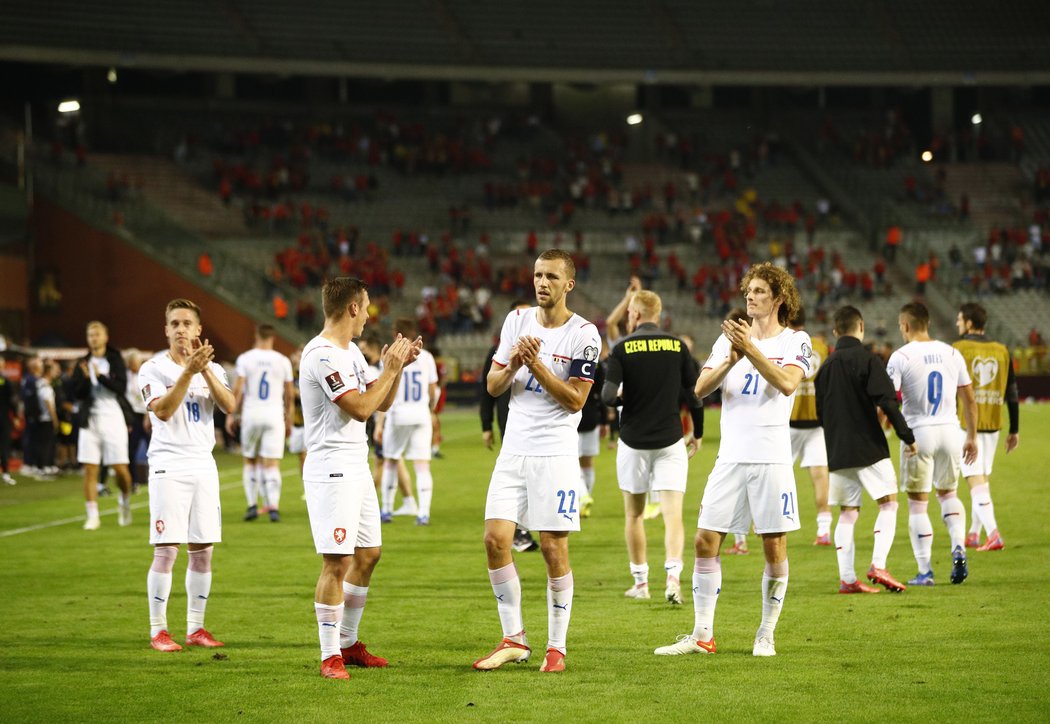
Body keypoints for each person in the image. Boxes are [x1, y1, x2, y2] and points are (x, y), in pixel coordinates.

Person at [655, 262, 808, 659]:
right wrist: (731, 358)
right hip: (731, 459)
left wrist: (751, 350)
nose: (750, 297)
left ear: (778, 298)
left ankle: (766, 633)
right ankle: (702, 634)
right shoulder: (729, 341)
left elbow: (788, 383)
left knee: (773, 547)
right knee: (705, 540)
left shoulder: (796, 340)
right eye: (747, 292)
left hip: (772, 459)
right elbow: (700, 389)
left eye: (758, 291)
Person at [473, 249, 601, 674]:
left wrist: (537, 364)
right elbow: (493, 387)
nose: (541, 283)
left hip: (556, 453)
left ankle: (556, 646)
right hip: (514, 450)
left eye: (550, 277)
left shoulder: (584, 334)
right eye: (537, 275)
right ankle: (514, 638)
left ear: (569, 284)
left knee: (552, 547)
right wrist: (513, 362)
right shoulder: (516, 321)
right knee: (494, 541)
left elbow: (575, 400)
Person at [299, 277, 421, 680]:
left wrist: (396, 369)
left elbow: (381, 398)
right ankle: (329, 654)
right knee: (337, 562)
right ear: (353, 307)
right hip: (331, 468)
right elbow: (362, 409)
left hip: (356, 464)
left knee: (368, 555)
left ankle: (349, 643)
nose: (368, 316)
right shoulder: (322, 354)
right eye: (366, 307)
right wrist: (387, 369)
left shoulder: (350, 351)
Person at [139, 298, 235, 652]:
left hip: (203, 464)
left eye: (186, 323)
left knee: (203, 551)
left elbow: (230, 406)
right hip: (169, 464)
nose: (180, 329)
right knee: (166, 550)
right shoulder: (152, 368)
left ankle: (196, 627)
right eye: (174, 323)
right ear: (166, 330)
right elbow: (162, 411)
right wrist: (188, 372)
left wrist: (204, 369)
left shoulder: (213, 368)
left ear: (198, 330)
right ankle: (158, 630)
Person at [601, 290, 702, 606]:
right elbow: (694, 393)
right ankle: (673, 576)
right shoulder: (677, 346)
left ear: (634, 313)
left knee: (635, 515)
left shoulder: (622, 347)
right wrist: (697, 432)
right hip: (670, 438)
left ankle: (641, 582)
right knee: (673, 514)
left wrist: (621, 400)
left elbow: (606, 396)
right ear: (658, 314)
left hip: (633, 440)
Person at [815, 306, 915, 594]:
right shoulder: (868, 360)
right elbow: (887, 402)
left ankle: (847, 580)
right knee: (889, 503)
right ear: (860, 326)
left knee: (847, 513)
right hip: (868, 446)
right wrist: (907, 436)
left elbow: (822, 413)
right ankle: (878, 564)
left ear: (835, 331)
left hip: (837, 451)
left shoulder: (825, 369)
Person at [886, 302, 978, 586]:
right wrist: (972, 436)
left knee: (917, 504)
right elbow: (969, 399)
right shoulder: (952, 352)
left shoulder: (900, 356)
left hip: (918, 433)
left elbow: (888, 399)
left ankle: (925, 570)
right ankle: (958, 546)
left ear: (905, 326)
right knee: (949, 494)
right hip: (951, 431)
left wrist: (881, 427)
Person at [954, 303, 1019, 551]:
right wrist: (1015, 428)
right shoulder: (1002, 350)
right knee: (982, 478)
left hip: (966, 424)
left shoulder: (959, 348)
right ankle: (974, 532)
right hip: (993, 422)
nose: (958, 324)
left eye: (960, 320)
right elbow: (1012, 391)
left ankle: (993, 534)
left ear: (970, 323)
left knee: (973, 479)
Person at [480, 299, 538, 553]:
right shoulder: (499, 351)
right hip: (510, 420)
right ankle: (520, 529)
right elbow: (487, 391)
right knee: (521, 477)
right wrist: (486, 425)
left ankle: (524, 526)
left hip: (540, 428)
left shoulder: (543, 348)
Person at [227, 325, 294, 522]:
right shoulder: (282, 361)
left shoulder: (246, 358)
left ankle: (252, 505)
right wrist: (288, 415)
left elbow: (238, 389)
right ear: (273, 337)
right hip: (274, 414)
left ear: (256, 335)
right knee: (271, 463)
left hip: (251, 414)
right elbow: (289, 393)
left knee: (250, 460)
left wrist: (231, 413)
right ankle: (273, 506)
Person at [71, 321, 134, 530]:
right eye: (90, 335)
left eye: (97, 334)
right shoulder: (82, 363)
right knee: (90, 468)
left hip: (113, 416)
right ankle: (92, 515)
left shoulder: (115, 360)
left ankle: (124, 501)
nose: (93, 338)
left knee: (120, 468)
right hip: (90, 419)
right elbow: (76, 393)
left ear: (106, 337)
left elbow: (121, 387)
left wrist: (101, 377)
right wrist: (88, 379)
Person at [376, 318, 440, 525]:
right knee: (422, 465)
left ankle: (386, 509)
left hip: (397, 414)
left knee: (391, 461)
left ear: (397, 334)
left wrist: (379, 422)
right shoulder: (427, 357)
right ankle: (424, 513)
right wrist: (430, 410)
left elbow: (382, 390)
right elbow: (432, 389)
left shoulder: (389, 355)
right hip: (421, 413)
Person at [788, 308, 833, 546]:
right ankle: (823, 530)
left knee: (775, 474)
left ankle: (767, 522)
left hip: (788, 421)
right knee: (819, 476)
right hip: (817, 421)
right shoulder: (821, 346)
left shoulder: (784, 341)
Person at [576, 343, 606, 519]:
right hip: (592, 418)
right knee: (588, 462)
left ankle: (583, 496)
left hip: (572, 417)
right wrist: (604, 421)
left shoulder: (570, 358)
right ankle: (585, 498)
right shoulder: (597, 363)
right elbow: (601, 392)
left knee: (573, 463)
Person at [0, 365, 16, 484]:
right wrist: (15, 416)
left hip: (4, 419)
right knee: (4, 446)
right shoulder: (6, 381)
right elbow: (12, 401)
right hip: (3, 419)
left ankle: (5, 473)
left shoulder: (6, 381)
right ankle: (5, 473)